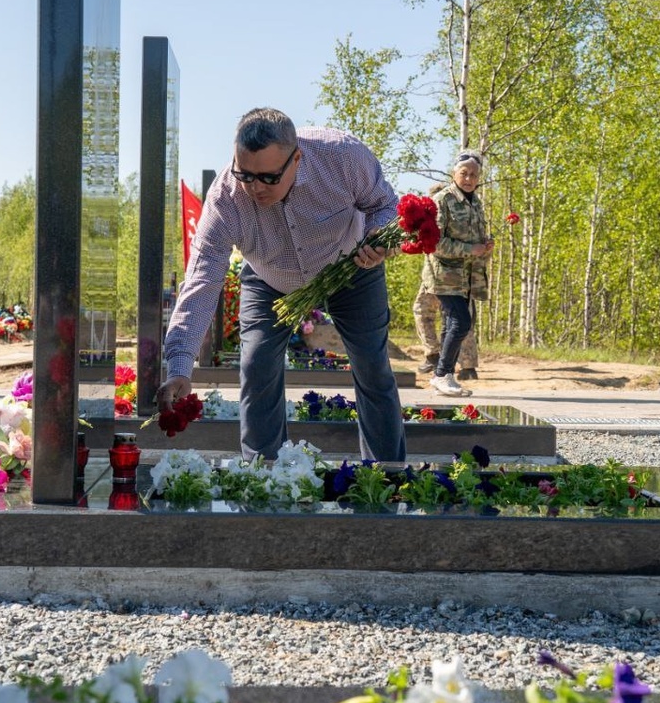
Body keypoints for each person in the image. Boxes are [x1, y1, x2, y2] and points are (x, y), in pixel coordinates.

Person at [156, 107, 406, 462]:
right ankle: (264, 473)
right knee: (256, 364)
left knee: (372, 366)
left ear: (297, 158)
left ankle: (388, 472)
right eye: (246, 174)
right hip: (269, 276)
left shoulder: (343, 157)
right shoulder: (226, 198)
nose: (255, 188)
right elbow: (201, 279)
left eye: (269, 177)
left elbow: (385, 205)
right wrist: (180, 365)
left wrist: (377, 236)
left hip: (351, 268)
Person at [422, 149, 493, 397]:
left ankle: (442, 377)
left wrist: (484, 245)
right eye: (464, 173)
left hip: (467, 277)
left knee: (452, 325)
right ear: (454, 173)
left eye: (474, 174)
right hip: (444, 274)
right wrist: (469, 249)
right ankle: (443, 374)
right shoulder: (443, 199)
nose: (469, 178)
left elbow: (475, 236)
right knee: (462, 321)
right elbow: (435, 243)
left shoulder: (476, 201)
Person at [413, 182, 479, 379]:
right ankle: (466, 365)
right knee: (457, 318)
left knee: (425, 311)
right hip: (459, 273)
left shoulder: (441, 214)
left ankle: (434, 356)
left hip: (439, 274)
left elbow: (435, 244)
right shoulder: (462, 215)